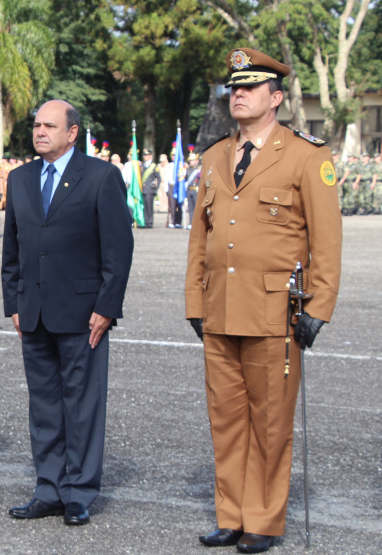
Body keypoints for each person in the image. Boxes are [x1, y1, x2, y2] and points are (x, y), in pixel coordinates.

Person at [185, 48, 342, 554]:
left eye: (249, 88)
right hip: (221, 309)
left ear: (276, 98)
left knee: (271, 424)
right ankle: (230, 515)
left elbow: (327, 241)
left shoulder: (305, 155)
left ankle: (263, 521)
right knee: (225, 420)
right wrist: (194, 301)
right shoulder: (213, 157)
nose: (239, 94)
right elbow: (199, 239)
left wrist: (318, 307)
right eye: (234, 87)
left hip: (277, 312)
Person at [1, 100, 133, 526]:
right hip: (34, 313)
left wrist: (106, 308)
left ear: (72, 133)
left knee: (82, 404)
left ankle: (79, 491)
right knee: (44, 406)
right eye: (37, 125)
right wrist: (14, 304)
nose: (40, 132)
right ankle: (49, 488)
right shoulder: (20, 178)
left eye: (49, 126)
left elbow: (118, 249)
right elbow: (13, 249)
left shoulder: (100, 176)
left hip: (83, 314)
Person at [141, 148, 158, 228]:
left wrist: (155, 187)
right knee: (144, 206)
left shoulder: (154, 166)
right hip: (143, 189)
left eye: (147, 155)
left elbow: (158, 178)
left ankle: (150, 222)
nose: (146, 157)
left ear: (150, 156)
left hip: (150, 189)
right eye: (144, 155)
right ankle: (145, 221)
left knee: (149, 206)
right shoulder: (141, 165)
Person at [184, 151, 201, 229]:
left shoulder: (200, 170)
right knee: (190, 208)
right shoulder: (188, 170)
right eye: (190, 160)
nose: (190, 162)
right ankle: (191, 222)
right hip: (189, 190)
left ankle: (197, 223)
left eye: (192, 160)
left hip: (197, 191)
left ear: (197, 161)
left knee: (197, 208)